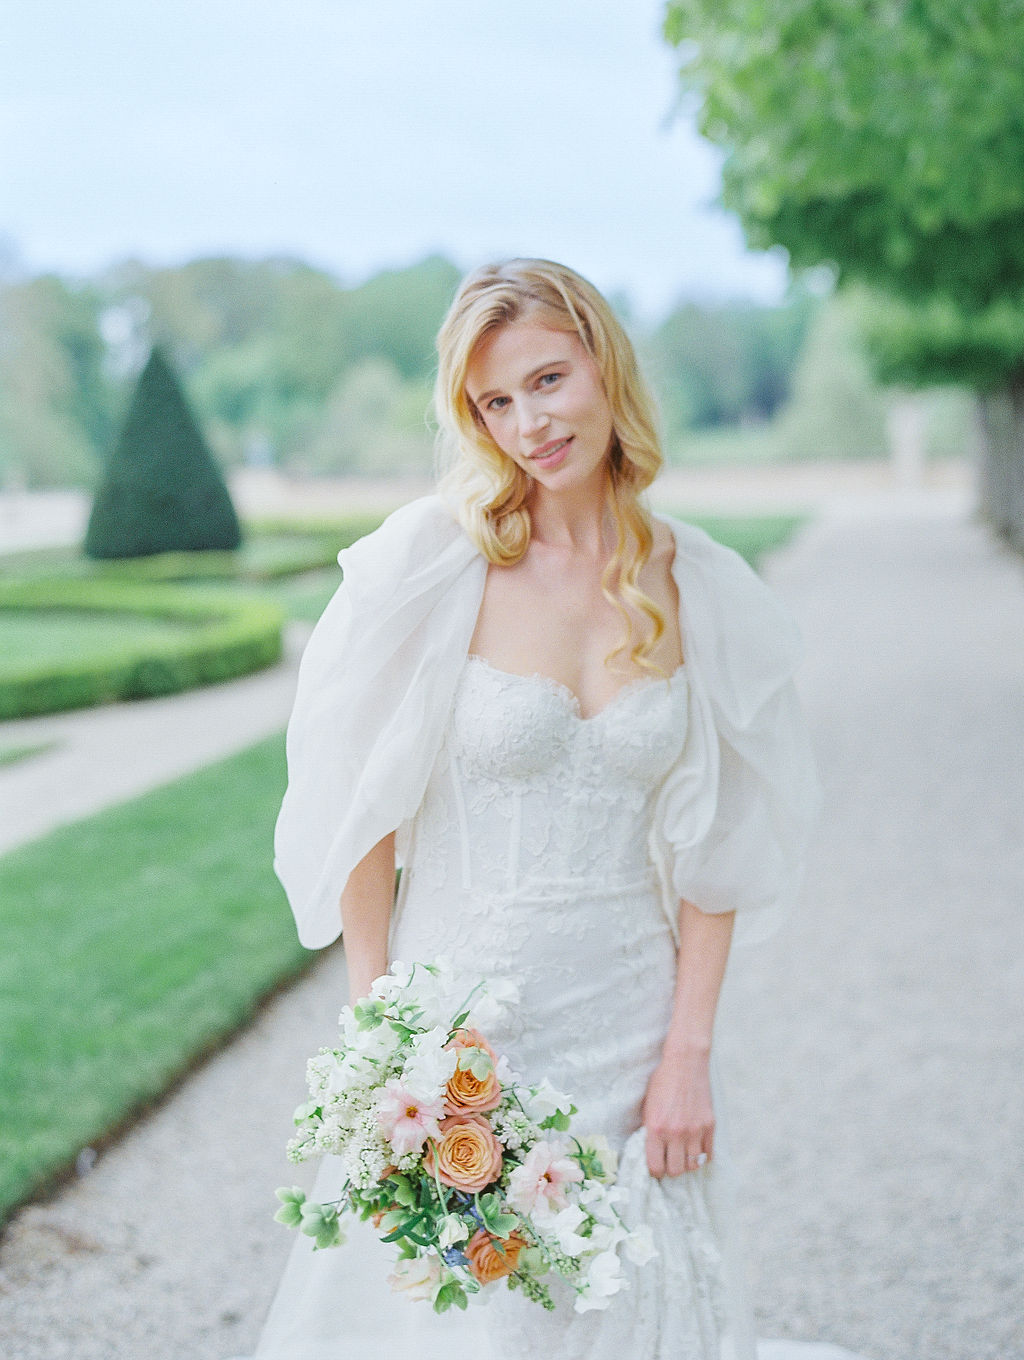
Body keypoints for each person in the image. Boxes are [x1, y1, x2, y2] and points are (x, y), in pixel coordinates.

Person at [245, 260, 860, 1360]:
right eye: (494, 402)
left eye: (546, 379)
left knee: (631, 1313)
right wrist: (383, 1030)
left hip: (630, 1023)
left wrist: (688, 1053)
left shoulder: (693, 582)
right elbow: (358, 801)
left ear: (602, 366)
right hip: (463, 1026)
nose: (528, 423)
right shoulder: (439, 563)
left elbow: (714, 848)